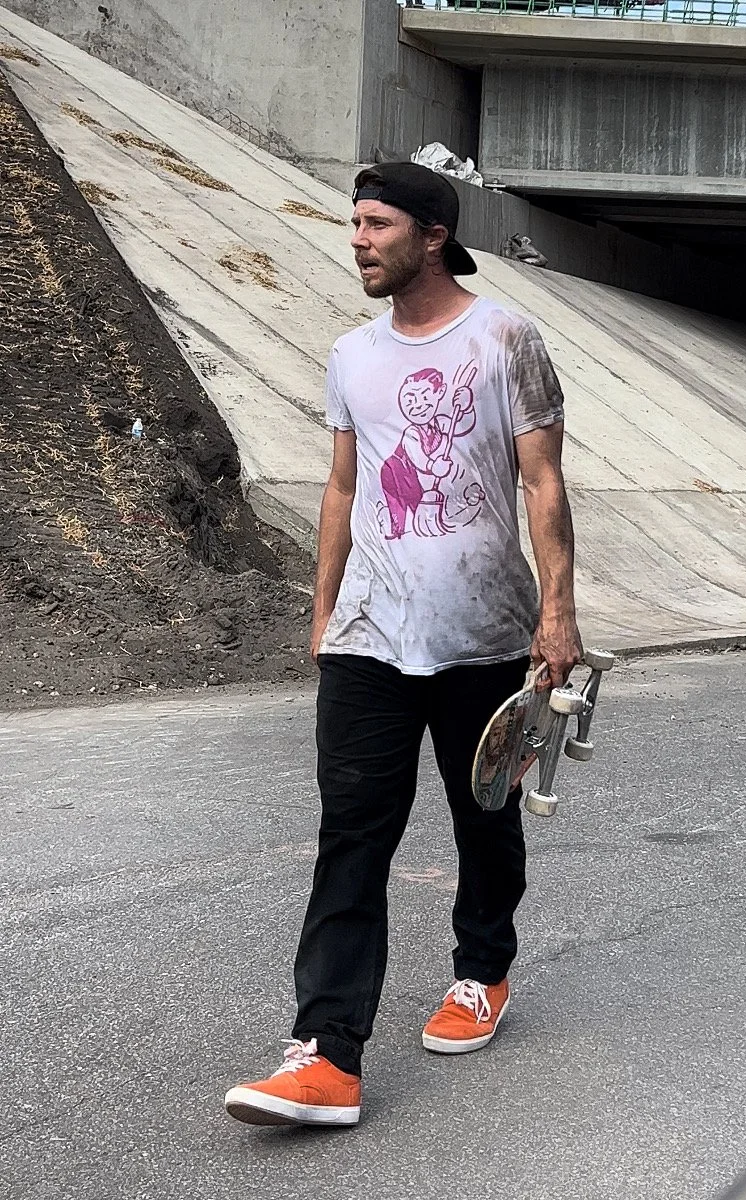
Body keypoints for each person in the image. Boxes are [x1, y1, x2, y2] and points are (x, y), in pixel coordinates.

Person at [224, 161, 582, 1128]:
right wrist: (324, 605)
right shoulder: (351, 354)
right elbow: (344, 485)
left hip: (485, 634)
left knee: (485, 816)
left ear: (431, 234)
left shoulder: (506, 337)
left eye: (375, 224)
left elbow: (542, 484)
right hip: (368, 637)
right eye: (353, 225)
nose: (357, 241)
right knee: (353, 836)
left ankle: (482, 972)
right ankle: (327, 1052)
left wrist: (559, 616)